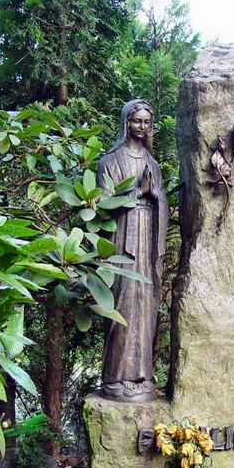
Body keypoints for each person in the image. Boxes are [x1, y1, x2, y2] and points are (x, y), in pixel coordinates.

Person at [95, 99, 168, 402]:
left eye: (147, 122)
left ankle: (141, 377)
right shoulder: (109, 162)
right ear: (126, 122)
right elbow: (102, 205)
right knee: (122, 304)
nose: (142, 126)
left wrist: (155, 196)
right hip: (122, 241)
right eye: (137, 120)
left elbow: (161, 201)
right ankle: (115, 378)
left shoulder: (153, 164)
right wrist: (138, 192)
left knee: (145, 305)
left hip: (147, 240)